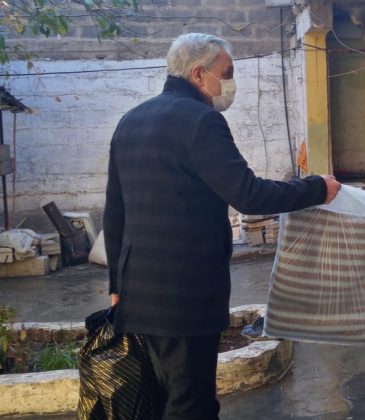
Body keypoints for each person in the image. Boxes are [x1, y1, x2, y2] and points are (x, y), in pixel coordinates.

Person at [103, 33, 341, 419]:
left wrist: (116, 284)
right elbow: (249, 194)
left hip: (136, 292)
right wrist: (318, 187)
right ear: (198, 74)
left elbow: (115, 212)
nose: (231, 83)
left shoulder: (130, 121)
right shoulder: (201, 121)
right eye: (226, 73)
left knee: (161, 396)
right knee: (192, 402)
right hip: (184, 293)